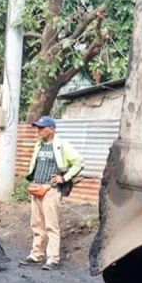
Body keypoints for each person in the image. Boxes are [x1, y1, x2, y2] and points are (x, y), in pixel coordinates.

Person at [19, 116, 85, 271]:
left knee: (51, 225)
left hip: (51, 190)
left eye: (42, 128)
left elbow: (79, 162)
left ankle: (53, 258)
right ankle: (36, 255)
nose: (39, 130)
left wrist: (64, 178)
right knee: (36, 224)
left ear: (52, 129)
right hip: (37, 188)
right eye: (38, 128)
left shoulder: (62, 145)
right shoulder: (39, 145)